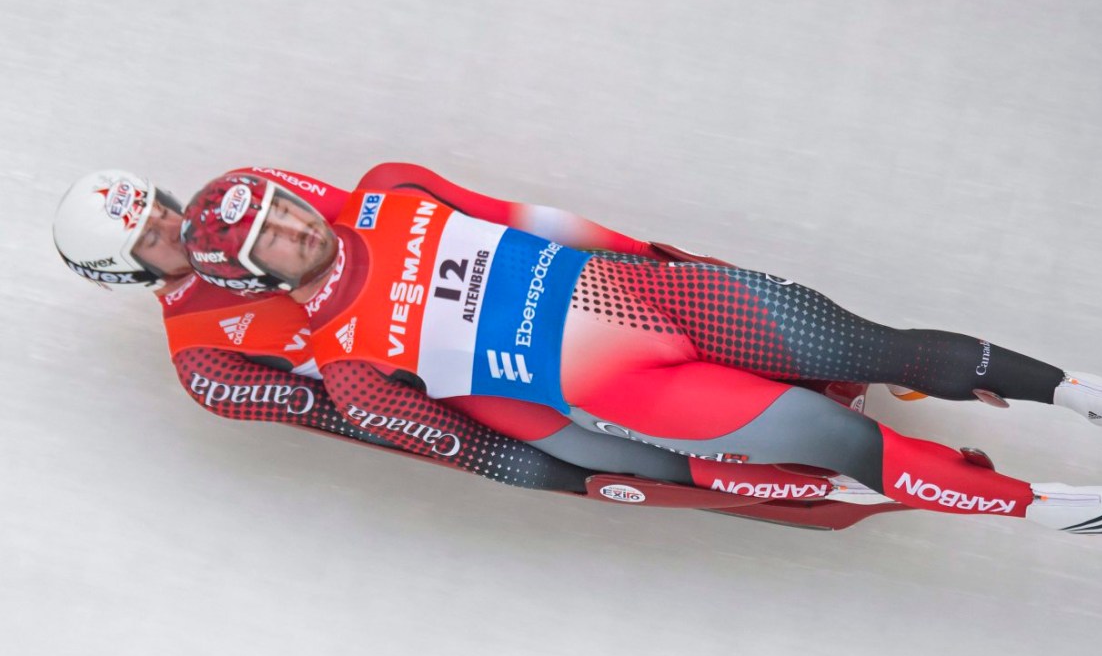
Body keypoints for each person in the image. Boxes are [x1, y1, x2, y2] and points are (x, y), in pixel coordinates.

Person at [182, 164, 1102, 535]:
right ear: (254, 279)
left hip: (669, 303)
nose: (295, 229)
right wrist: (587, 476)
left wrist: (671, 264)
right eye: (271, 237)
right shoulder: (348, 360)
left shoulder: (394, 194)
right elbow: (474, 443)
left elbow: (547, 220)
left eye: (283, 208)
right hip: (625, 392)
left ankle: (1078, 392)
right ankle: (1041, 508)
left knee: (863, 339)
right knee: (826, 433)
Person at [54, 168, 871, 513]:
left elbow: (353, 227)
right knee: (591, 438)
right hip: (434, 382)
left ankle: (805, 359)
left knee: (640, 320)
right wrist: (482, 451)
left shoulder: (234, 201)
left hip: (455, 301)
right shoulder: (203, 363)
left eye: (160, 205)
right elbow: (339, 413)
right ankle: (747, 480)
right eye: (151, 238)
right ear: (126, 275)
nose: (170, 224)